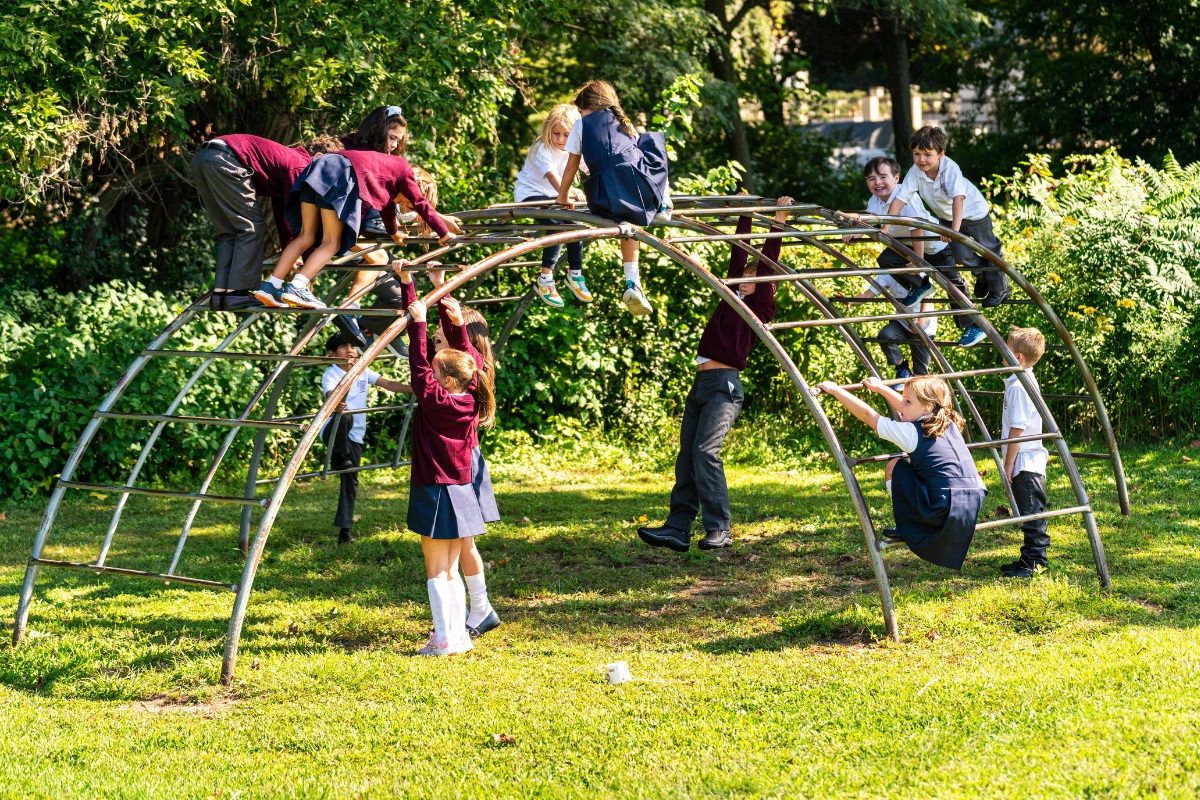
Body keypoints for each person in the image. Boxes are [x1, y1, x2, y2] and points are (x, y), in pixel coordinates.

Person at [637, 199, 794, 552]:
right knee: (687, 455)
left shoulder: (759, 306)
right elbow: (739, 255)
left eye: (752, 276)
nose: (746, 276)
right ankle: (678, 527)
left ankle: (719, 528)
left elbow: (766, 264)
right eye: (745, 274)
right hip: (701, 384)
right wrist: (745, 213)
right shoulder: (731, 295)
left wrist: (779, 219)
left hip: (725, 385)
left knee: (706, 451)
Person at [396, 265, 501, 637]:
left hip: (435, 486)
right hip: (456, 483)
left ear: (445, 379)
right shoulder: (471, 392)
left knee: (439, 569)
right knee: (450, 565)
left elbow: (418, 361)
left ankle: (446, 637)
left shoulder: (436, 402)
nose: (433, 353)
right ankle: (456, 632)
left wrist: (414, 303)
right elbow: (458, 355)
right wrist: (439, 301)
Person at [252, 148, 461, 310]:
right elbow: (421, 204)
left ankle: (271, 285)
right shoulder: (405, 173)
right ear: (416, 187)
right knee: (331, 242)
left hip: (320, 168)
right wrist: (444, 233)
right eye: (408, 203)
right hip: (342, 175)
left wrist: (393, 231)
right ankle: (298, 286)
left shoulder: (389, 174)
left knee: (306, 235)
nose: (408, 206)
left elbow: (387, 206)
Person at [814, 375, 987, 570]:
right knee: (909, 465)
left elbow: (868, 415)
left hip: (941, 510)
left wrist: (836, 390)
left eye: (907, 401)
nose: (900, 406)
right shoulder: (946, 421)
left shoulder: (911, 432)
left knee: (894, 467)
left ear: (928, 407)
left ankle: (911, 524)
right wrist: (879, 388)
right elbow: (912, 409)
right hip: (971, 502)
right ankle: (911, 522)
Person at [885, 126, 1010, 347]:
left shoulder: (950, 169)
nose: (921, 159)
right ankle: (983, 278)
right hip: (947, 217)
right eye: (916, 154)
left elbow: (958, 200)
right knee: (961, 255)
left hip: (972, 213)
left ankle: (1000, 287)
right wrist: (885, 227)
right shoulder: (915, 172)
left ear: (940, 154)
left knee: (988, 248)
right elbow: (900, 199)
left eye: (927, 155)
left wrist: (953, 229)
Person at [556, 80, 670, 317]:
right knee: (653, 143)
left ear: (588, 107)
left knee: (626, 221)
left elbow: (571, 167)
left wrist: (563, 196)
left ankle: (633, 282)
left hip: (604, 197)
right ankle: (662, 203)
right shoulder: (625, 124)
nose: (581, 115)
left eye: (581, 110)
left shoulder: (582, 126)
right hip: (639, 192)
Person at [191, 134, 337, 310]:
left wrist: (292, 251)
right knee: (250, 228)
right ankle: (237, 293)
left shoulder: (286, 162)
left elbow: (285, 216)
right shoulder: (301, 166)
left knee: (231, 232)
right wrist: (310, 256)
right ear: (319, 157)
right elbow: (301, 220)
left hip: (204, 157)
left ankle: (222, 295)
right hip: (226, 158)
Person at [851, 156, 972, 343]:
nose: (878, 183)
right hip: (906, 246)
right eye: (871, 179)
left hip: (933, 245)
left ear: (896, 178)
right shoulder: (874, 201)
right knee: (886, 260)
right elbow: (873, 222)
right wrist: (856, 235)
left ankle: (972, 324)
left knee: (953, 284)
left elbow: (917, 229)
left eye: (883, 177)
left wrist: (918, 261)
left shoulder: (904, 196)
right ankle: (920, 285)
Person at [319, 332, 410, 544]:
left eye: (353, 346)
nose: (351, 350)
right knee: (346, 417)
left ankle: (345, 530)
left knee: (351, 482)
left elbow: (387, 384)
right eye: (344, 347)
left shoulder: (362, 371)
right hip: (334, 431)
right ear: (332, 354)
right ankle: (338, 456)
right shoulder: (331, 373)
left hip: (355, 436)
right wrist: (335, 402)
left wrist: (413, 388)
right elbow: (329, 393)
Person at [514, 104, 592, 308]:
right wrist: (565, 195)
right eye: (556, 133)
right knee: (556, 224)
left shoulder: (574, 149)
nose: (560, 140)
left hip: (555, 197)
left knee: (576, 225)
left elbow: (590, 168)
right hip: (530, 195)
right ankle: (545, 279)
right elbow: (552, 175)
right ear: (548, 130)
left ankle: (575, 274)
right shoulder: (543, 148)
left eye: (566, 135)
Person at [998, 326, 1050, 578]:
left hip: (1026, 462)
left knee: (1032, 514)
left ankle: (1035, 562)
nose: (1001, 352)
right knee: (1027, 512)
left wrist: (1008, 464)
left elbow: (1017, 429)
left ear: (1017, 357)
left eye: (1006, 348)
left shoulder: (1019, 386)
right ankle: (1027, 558)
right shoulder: (1021, 379)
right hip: (1024, 460)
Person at [843, 274, 937, 385]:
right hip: (903, 322)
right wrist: (850, 301)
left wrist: (920, 323)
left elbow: (927, 299)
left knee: (922, 376)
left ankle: (924, 399)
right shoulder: (888, 274)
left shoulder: (919, 273)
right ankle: (903, 369)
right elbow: (868, 294)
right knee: (886, 335)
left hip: (924, 326)